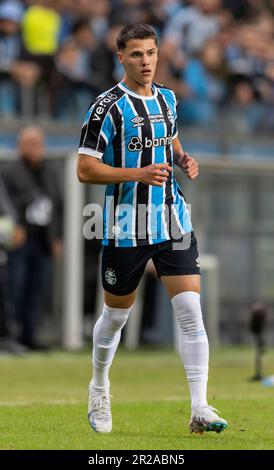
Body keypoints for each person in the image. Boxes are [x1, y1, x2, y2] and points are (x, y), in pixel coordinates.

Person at [77, 23, 228, 435]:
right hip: (125, 226)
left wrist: (184, 160)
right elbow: (85, 169)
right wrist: (137, 173)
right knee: (115, 318)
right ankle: (99, 385)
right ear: (121, 57)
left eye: (151, 53)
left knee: (191, 313)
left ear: (158, 54)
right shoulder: (106, 107)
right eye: (137, 54)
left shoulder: (167, 97)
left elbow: (171, 138)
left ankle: (199, 407)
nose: (146, 62)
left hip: (172, 220)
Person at [2, 126, 63, 350]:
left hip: (43, 239)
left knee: (38, 288)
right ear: (20, 146)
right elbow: (6, 203)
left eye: (37, 143)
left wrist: (57, 237)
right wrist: (15, 226)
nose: (34, 149)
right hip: (19, 239)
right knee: (16, 286)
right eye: (29, 144)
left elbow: (58, 205)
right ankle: (12, 335)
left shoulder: (49, 171)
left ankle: (30, 335)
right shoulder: (9, 171)